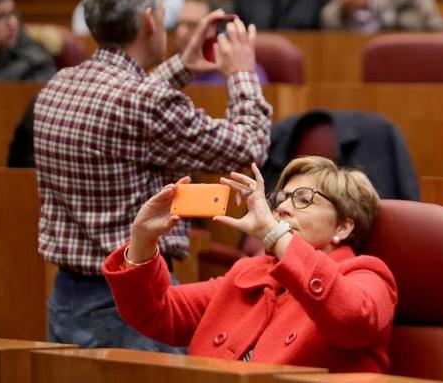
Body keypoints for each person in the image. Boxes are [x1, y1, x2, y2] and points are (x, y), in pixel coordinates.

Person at [35, 0, 272, 351]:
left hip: (66, 297)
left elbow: (130, 102)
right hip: (128, 305)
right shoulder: (143, 103)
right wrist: (243, 74)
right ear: (150, 19)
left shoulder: (58, 84)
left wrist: (184, 65)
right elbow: (249, 146)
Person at [103, 157, 397, 370]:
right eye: (280, 199)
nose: (282, 208)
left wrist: (274, 233)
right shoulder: (251, 271)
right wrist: (142, 238)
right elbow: (156, 312)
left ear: (343, 228)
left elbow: (352, 319)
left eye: (303, 199)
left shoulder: (368, 275)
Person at [174, 0, 269, 84]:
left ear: (218, 30)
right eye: (178, 24)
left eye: (192, 25)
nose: (181, 32)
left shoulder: (246, 74)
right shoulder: (175, 75)